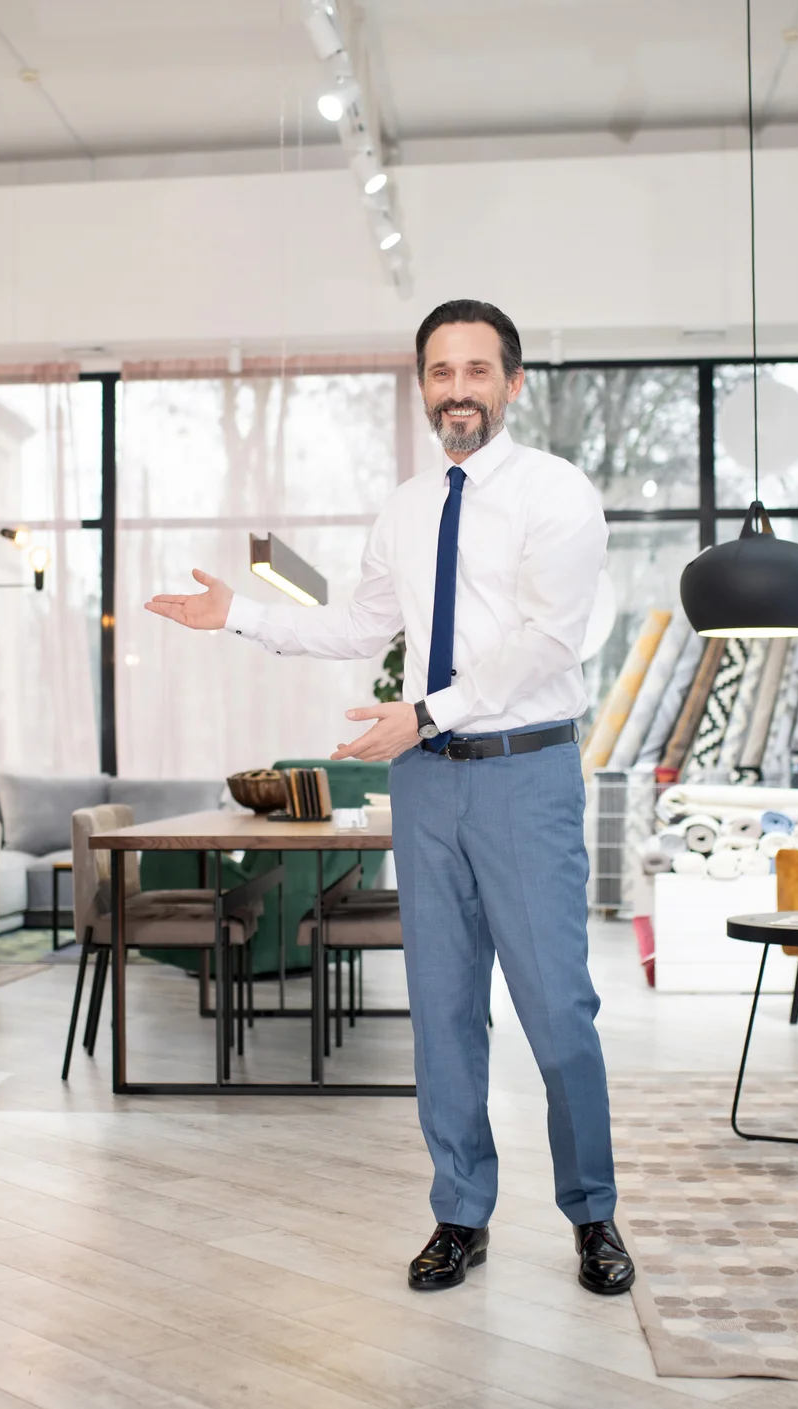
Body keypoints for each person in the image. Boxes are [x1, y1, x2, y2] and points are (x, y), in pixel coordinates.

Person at [145, 299, 631, 1297]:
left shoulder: (558, 495)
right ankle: (459, 1212)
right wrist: (239, 614)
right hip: (427, 785)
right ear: (422, 386)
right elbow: (360, 625)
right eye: (440, 372)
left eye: (477, 370)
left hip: (525, 772)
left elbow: (547, 641)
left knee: (558, 1011)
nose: (458, 389)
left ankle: (592, 1213)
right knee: (444, 1010)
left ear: (513, 383)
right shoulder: (408, 508)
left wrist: (426, 712)